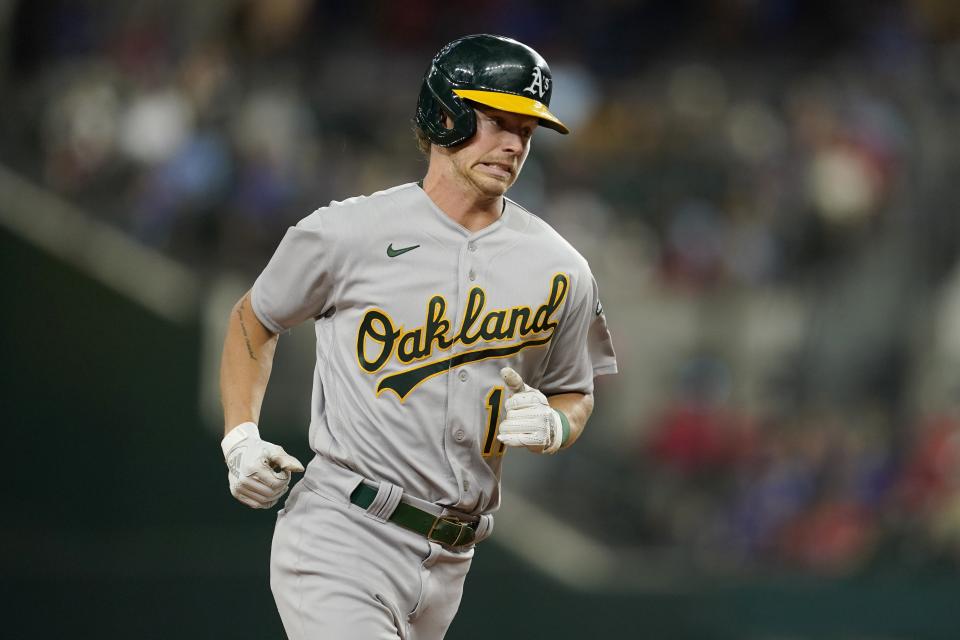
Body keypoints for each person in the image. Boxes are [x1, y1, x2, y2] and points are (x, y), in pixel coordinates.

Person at [218, 34, 617, 639]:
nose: (513, 143)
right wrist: (241, 437)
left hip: (453, 560)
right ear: (444, 114)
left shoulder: (562, 267)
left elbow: (574, 390)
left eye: (527, 130)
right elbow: (254, 318)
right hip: (343, 531)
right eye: (497, 120)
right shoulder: (347, 233)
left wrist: (556, 423)